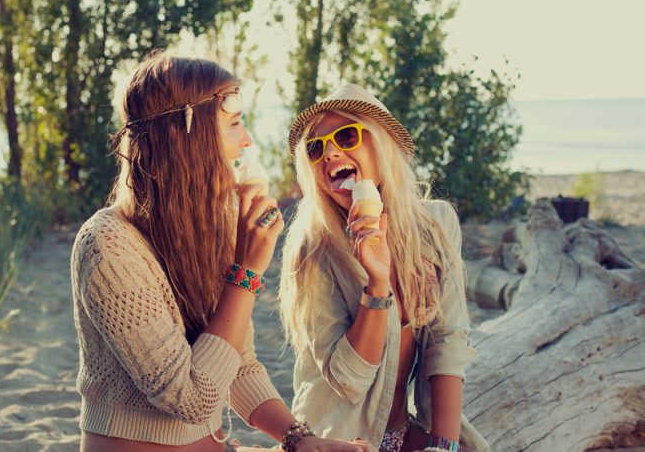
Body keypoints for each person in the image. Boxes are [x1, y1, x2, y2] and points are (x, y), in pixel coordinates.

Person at [70, 52, 375, 452]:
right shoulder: (108, 246)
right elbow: (190, 399)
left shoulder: (208, 230)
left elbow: (238, 364)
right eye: (233, 123)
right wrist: (247, 272)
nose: (246, 139)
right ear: (186, 137)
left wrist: (299, 438)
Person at [278, 83, 491, 452]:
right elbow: (347, 380)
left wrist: (445, 447)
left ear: (381, 144)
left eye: (346, 136)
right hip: (338, 438)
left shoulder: (436, 225)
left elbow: (448, 341)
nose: (330, 153)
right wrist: (377, 285)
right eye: (315, 148)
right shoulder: (313, 249)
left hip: (404, 431)